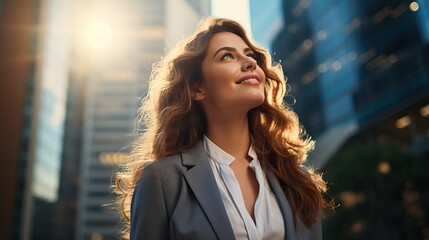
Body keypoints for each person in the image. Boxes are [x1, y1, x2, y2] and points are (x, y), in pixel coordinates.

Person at [115, 17, 333, 240]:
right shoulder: (163, 181)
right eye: (227, 56)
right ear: (197, 88)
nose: (250, 63)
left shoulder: (297, 180)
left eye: (249, 55)